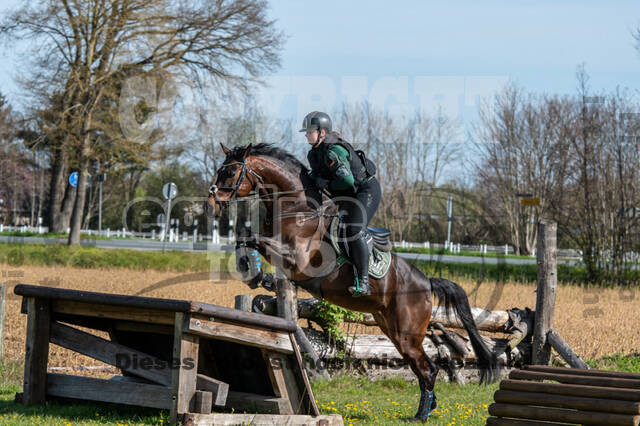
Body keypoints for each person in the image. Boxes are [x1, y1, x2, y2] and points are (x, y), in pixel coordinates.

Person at [300, 111, 381, 297]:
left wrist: (325, 183)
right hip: (345, 195)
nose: (306, 134)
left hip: (364, 191)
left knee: (354, 230)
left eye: (310, 131)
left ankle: (364, 281)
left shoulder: (334, 151)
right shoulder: (314, 154)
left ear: (322, 132)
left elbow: (347, 181)